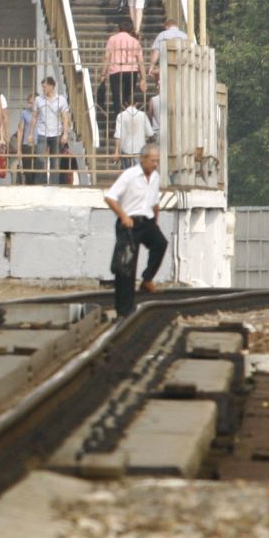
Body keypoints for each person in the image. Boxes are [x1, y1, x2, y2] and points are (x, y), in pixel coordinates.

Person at [105, 144, 167, 316]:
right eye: (153, 161)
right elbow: (109, 197)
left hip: (146, 222)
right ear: (143, 159)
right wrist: (123, 216)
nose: (155, 164)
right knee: (126, 267)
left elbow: (154, 202)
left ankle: (147, 279)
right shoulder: (130, 175)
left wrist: (155, 220)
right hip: (129, 223)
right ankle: (124, 310)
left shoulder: (155, 177)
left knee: (160, 244)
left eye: (157, 161)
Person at [31, 76, 71, 186]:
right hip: (42, 132)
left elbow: (65, 117)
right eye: (42, 87)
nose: (43, 89)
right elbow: (34, 116)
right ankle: (41, 182)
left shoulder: (61, 99)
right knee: (40, 159)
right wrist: (31, 133)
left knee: (55, 161)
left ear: (51, 86)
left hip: (56, 133)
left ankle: (54, 183)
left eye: (45, 86)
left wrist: (65, 134)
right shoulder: (38, 100)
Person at [102, 18, 143, 121]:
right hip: (131, 70)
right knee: (128, 96)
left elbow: (107, 57)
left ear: (119, 28)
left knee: (116, 96)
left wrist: (103, 73)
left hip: (116, 70)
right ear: (131, 29)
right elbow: (140, 61)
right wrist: (143, 78)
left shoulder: (112, 39)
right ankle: (128, 118)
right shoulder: (134, 41)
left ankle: (118, 120)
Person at [114, 100, 151, 164]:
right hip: (140, 150)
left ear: (125, 103)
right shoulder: (143, 115)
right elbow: (150, 133)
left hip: (126, 150)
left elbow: (118, 135)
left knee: (127, 172)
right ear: (137, 103)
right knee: (139, 172)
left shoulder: (120, 116)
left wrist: (116, 151)